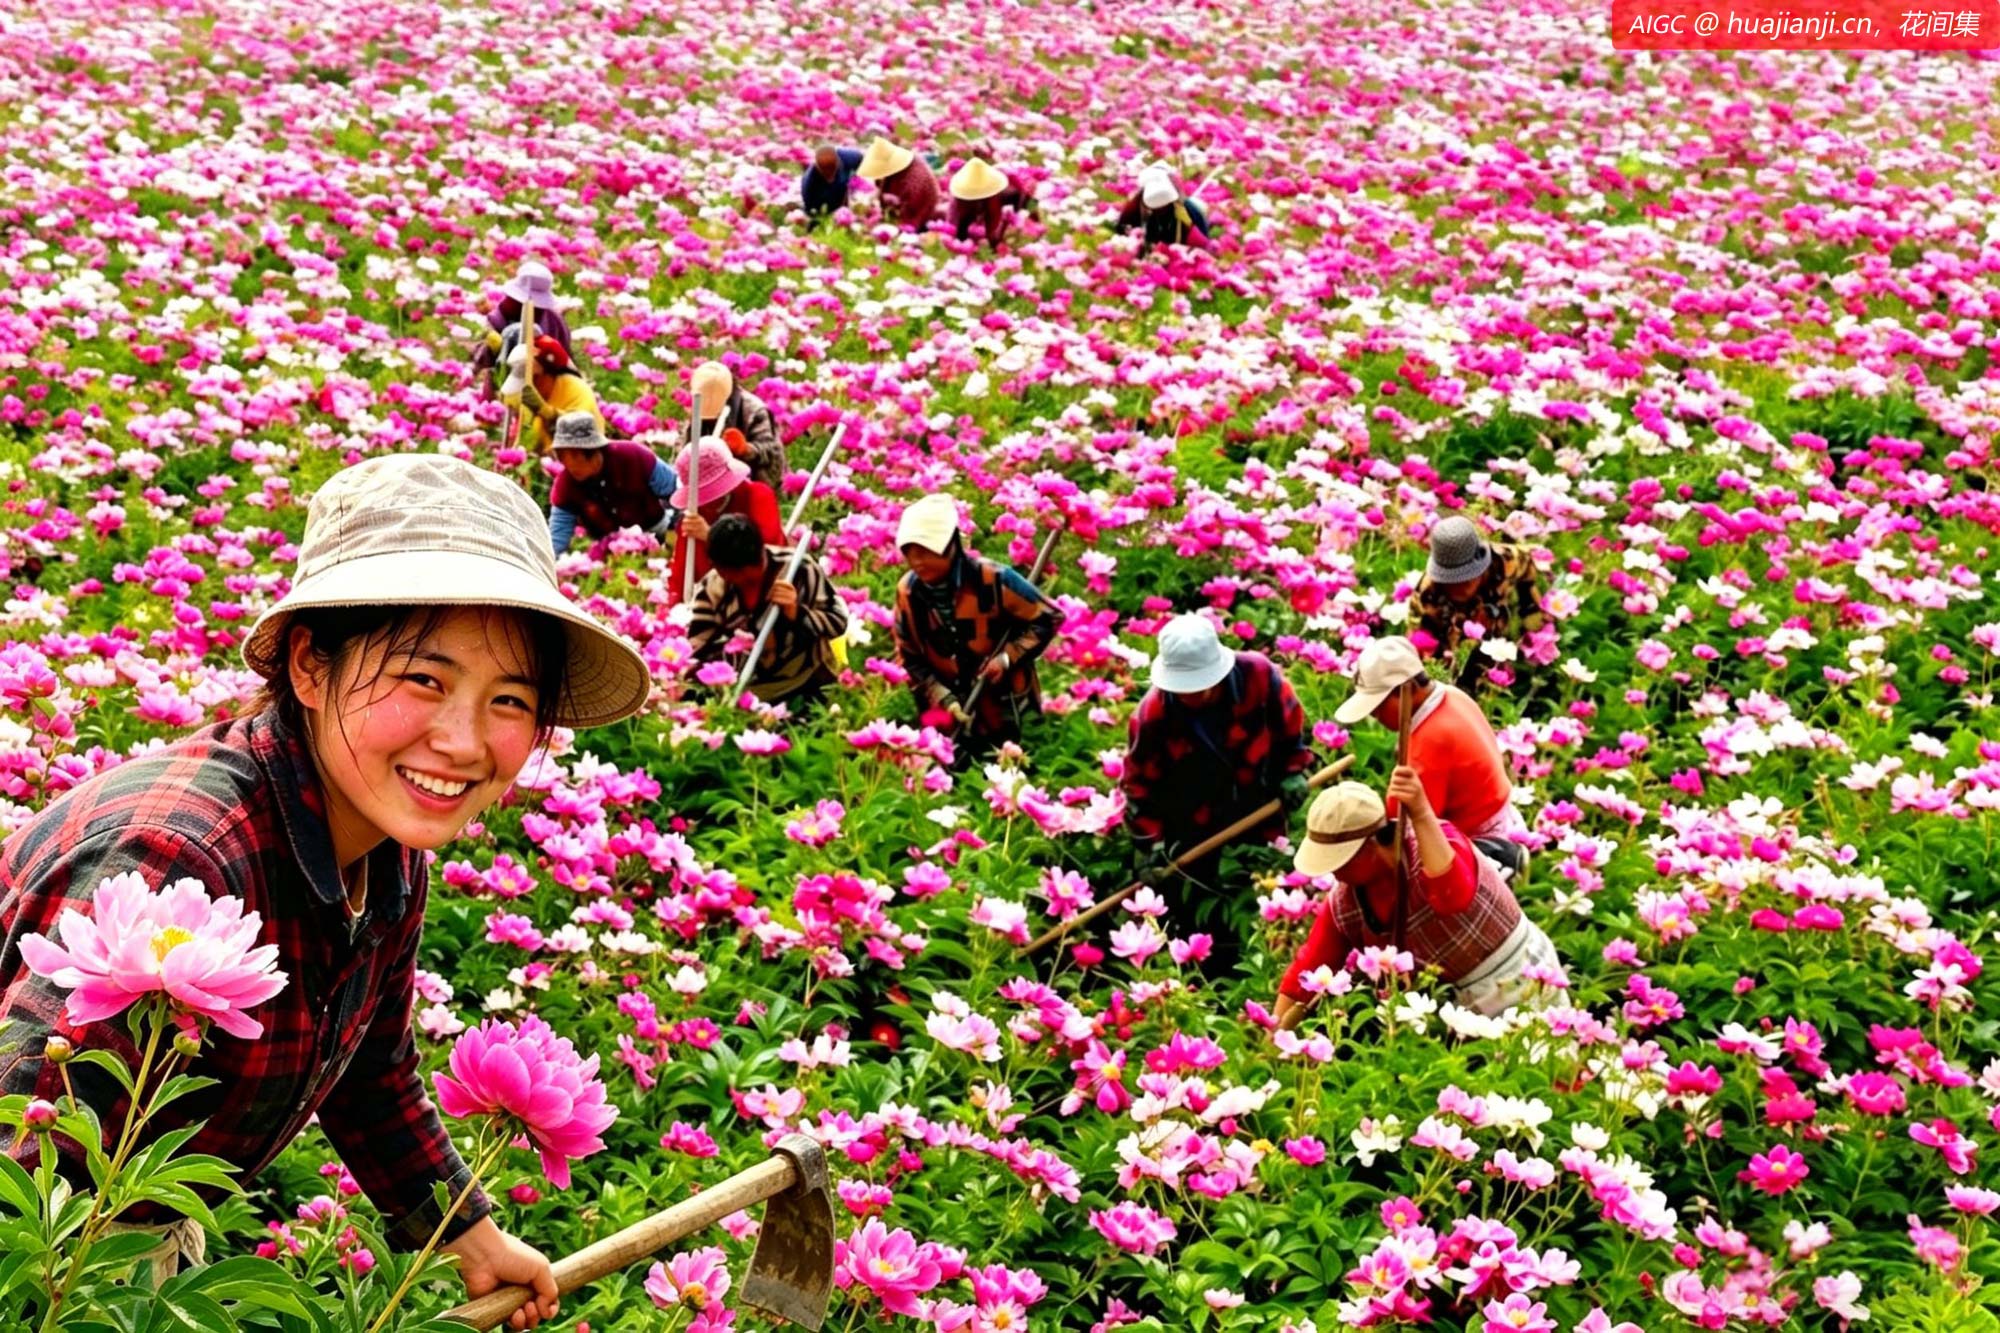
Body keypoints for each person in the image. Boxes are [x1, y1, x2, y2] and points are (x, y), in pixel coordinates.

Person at [0, 455, 652, 1329]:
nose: (464, 741)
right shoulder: (181, 862)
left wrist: (465, 1231)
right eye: (424, 679)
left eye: (509, 699)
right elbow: (17, 1157)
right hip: (43, 1254)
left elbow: (370, 1072)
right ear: (310, 665)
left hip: (122, 1240)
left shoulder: (384, 850)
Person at [1273, 773, 1559, 1026]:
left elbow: (1451, 897)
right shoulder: (1345, 901)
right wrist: (1274, 1036)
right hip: (1456, 1008)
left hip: (1520, 978)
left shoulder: (1436, 843)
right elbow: (1307, 970)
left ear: (1375, 842)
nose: (1334, 871)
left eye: (1342, 860)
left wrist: (1421, 812)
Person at [1119, 614, 1315, 971]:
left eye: (1199, 686)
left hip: (1260, 807)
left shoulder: (1259, 676)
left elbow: (1290, 727)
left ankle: (1267, 960)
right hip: (1191, 826)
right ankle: (1214, 969)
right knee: (1200, 911)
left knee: (1263, 889)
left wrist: (1293, 771)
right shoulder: (1152, 715)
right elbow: (1138, 787)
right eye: (1184, 688)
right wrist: (1149, 846)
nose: (1192, 695)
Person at [1333, 636, 1529, 880]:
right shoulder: (1451, 695)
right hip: (1502, 815)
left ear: (1407, 690)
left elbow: (1405, 830)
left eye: (1378, 705)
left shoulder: (1431, 739)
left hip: (1480, 841)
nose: (1374, 715)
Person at [892, 495, 1058, 752]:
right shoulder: (908, 592)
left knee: (1019, 766)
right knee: (958, 770)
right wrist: (943, 698)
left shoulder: (994, 579)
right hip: (952, 717)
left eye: (924, 552)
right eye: (909, 553)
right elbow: (910, 658)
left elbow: (1047, 618)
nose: (916, 562)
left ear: (950, 547)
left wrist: (1007, 658)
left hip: (1007, 705)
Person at [687, 514, 848, 705]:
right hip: (747, 694)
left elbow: (838, 623)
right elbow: (698, 647)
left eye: (745, 574)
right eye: (725, 573)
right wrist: (735, 652)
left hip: (807, 681)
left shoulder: (800, 570)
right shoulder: (713, 588)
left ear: (761, 554)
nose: (732, 579)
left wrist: (796, 613)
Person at [1410, 515, 1545, 689]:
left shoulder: (1505, 561)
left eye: (1467, 577)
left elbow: (1527, 566)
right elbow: (1417, 645)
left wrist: (1529, 607)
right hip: (1454, 652)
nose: (1461, 587)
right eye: (1452, 579)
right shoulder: (1427, 594)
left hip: (1496, 637)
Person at [667, 437, 784, 601]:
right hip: (713, 605)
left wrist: (711, 536)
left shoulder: (757, 496)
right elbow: (680, 578)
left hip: (766, 595)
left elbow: (767, 551)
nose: (707, 500)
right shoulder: (693, 519)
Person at [547, 412, 679, 557]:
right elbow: (558, 537)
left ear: (592, 451)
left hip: (657, 531)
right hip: (611, 549)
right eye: (562, 457)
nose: (569, 465)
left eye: (574, 456)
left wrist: (673, 533)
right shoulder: (565, 485)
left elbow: (675, 490)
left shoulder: (633, 455)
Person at [472, 261, 571, 400]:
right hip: (502, 388)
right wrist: (495, 349)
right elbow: (480, 359)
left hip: (544, 389)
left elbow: (565, 359)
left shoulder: (555, 322)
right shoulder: (499, 317)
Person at [691, 361, 785, 493]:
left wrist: (745, 449)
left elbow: (771, 452)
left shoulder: (754, 410)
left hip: (752, 482)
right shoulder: (697, 404)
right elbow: (685, 446)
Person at [505, 334, 601, 457]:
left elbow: (581, 429)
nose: (531, 383)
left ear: (549, 374)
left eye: (535, 378)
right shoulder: (529, 395)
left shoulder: (577, 390)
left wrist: (547, 412)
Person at [1113, 166, 1211, 255]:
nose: (1159, 210)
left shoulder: (1188, 209)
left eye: (1162, 207)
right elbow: (1123, 229)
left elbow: (1203, 244)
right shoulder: (1139, 206)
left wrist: (1188, 224)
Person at [855, 137, 941, 231]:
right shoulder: (895, 167)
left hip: (914, 218)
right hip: (898, 211)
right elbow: (881, 187)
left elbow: (909, 216)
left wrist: (877, 223)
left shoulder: (915, 182)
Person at [947, 158, 1029, 250]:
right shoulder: (959, 201)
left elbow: (992, 226)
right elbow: (952, 227)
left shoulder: (994, 197)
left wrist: (1002, 228)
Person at [801, 144, 865, 219]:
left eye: (832, 170)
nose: (830, 178)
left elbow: (867, 164)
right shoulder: (809, 184)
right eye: (825, 173)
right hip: (827, 210)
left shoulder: (850, 157)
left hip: (849, 198)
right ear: (817, 167)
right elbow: (812, 213)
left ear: (838, 161)